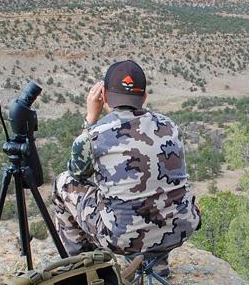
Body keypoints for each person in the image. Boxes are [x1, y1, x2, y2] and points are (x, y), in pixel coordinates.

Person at [52, 60, 200, 274]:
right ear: (145, 97)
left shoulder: (94, 135)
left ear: (104, 95)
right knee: (157, 189)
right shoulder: (170, 126)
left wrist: (90, 120)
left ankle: (84, 269)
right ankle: (156, 263)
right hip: (181, 228)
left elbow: (77, 173)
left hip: (121, 239)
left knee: (63, 183)